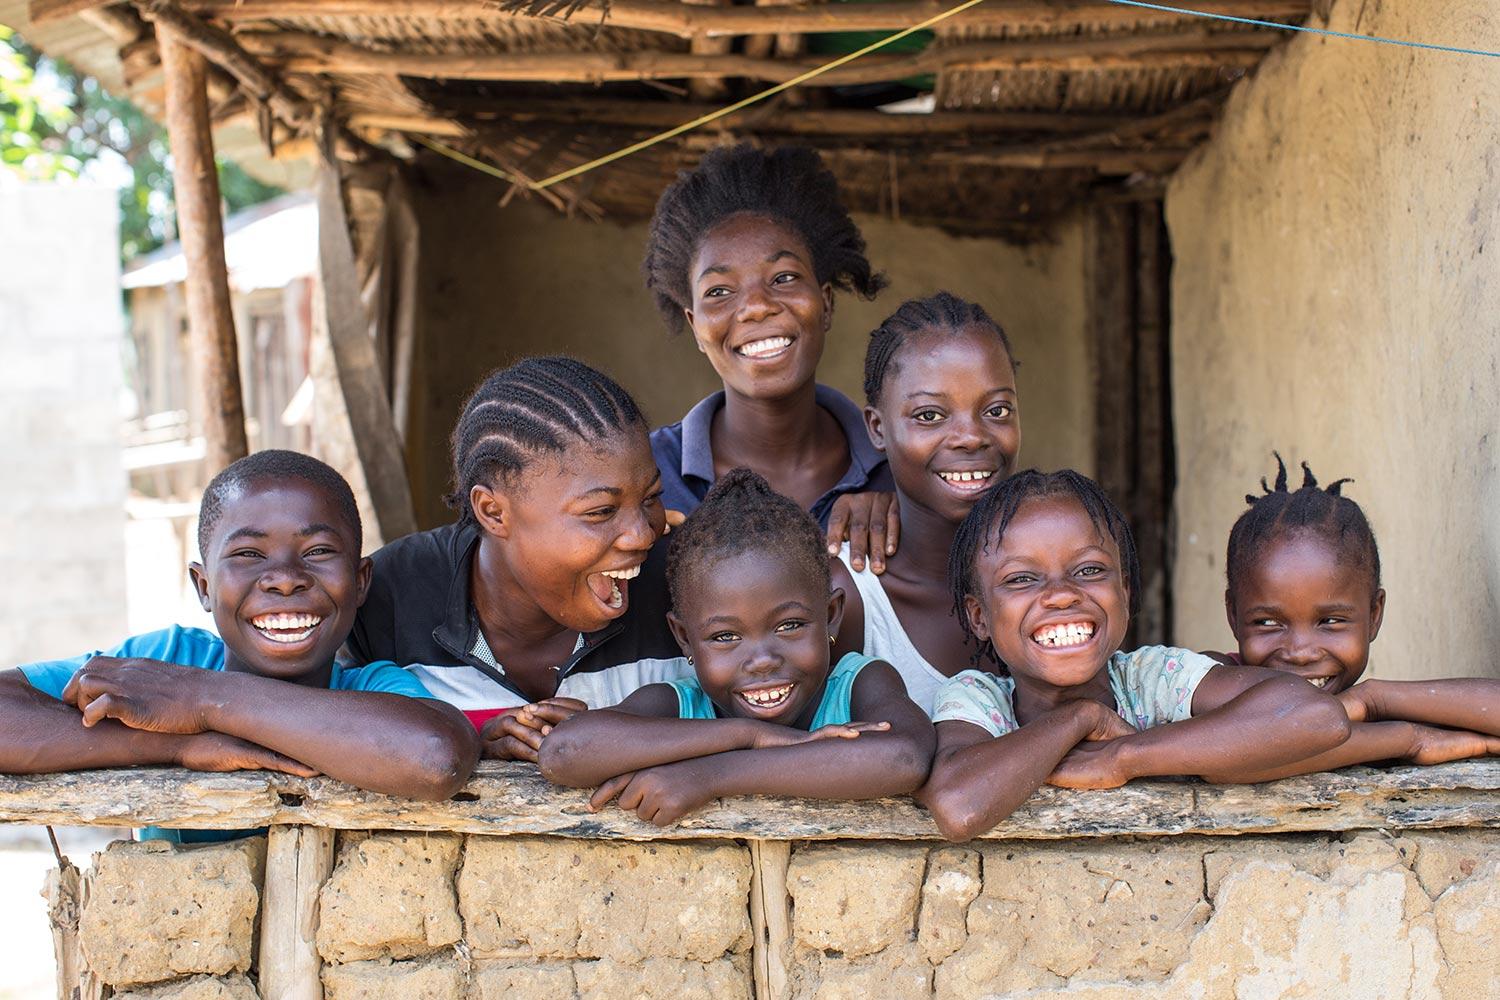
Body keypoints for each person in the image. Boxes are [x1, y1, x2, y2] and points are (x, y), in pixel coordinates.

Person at [0, 450, 479, 841]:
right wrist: (177, 745)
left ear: (359, 582)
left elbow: (435, 757)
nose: (286, 579)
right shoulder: (167, 660)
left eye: (317, 552)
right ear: (203, 586)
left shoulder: (375, 688)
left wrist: (204, 700)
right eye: (248, 555)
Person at [916, 469, 1351, 842]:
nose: (1062, 595)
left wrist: (1124, 757)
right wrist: (1081, 717)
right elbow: (959, 807)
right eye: (1022, 579)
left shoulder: (1153, 679)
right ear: (978, 616)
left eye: (1089, 571)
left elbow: (1316, 717)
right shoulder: (977, 700)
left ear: (1124, 593)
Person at [538, 469, 935, 826]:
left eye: (790, 625)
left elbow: (903, 758)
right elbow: (565, 752)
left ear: (831, 614)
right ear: (683, 638)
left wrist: (711, 775)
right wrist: (748, 734)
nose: (762, 660)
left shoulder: (859, 683)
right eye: (726, 636)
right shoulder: (681, 706)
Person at [344, 356, 689, 761]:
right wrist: (470, 744)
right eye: (600, 511)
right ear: (493, 512)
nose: (642, 534)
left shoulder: (682, 584)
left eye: (650, 498)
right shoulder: (390, 597)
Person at [643, 143, 893, 527]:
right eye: (719, 291)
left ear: (826, 304)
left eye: (784, 278)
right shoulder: (648, 480)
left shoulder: (903, 466)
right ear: (695, 326)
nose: (756, 306)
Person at [1213, 456, 1500, 777]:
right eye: (1268, 622)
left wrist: (1372, 698)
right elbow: (1242, 757)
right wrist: (1407, 739)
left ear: (1374, 614)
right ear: (1233, 615)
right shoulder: (1209, 683)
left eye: (1330, 621)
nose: (1301, 652)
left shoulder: (1370, 710)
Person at [830, 293, 1022, 711]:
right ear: (877, 428)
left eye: (997, 409)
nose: (971, 436)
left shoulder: (1060, 582)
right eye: (930, 416)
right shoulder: (847, 600)